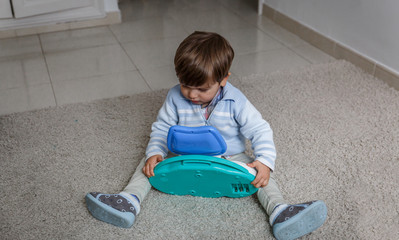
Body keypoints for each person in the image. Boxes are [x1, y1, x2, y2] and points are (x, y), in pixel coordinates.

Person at [85, 31, 327, 240]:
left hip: (230, 157)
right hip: (181, 156)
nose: (191, 94)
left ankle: (279, 211)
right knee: (147, 164)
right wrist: (155, 153)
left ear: (223, 80)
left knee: (261, 176)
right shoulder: (174, 97)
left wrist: (264, 161)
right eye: (184, 84)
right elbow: (161, 128)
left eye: (202, 88)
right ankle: (128, 201)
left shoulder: (236, 101)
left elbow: (260, 129)